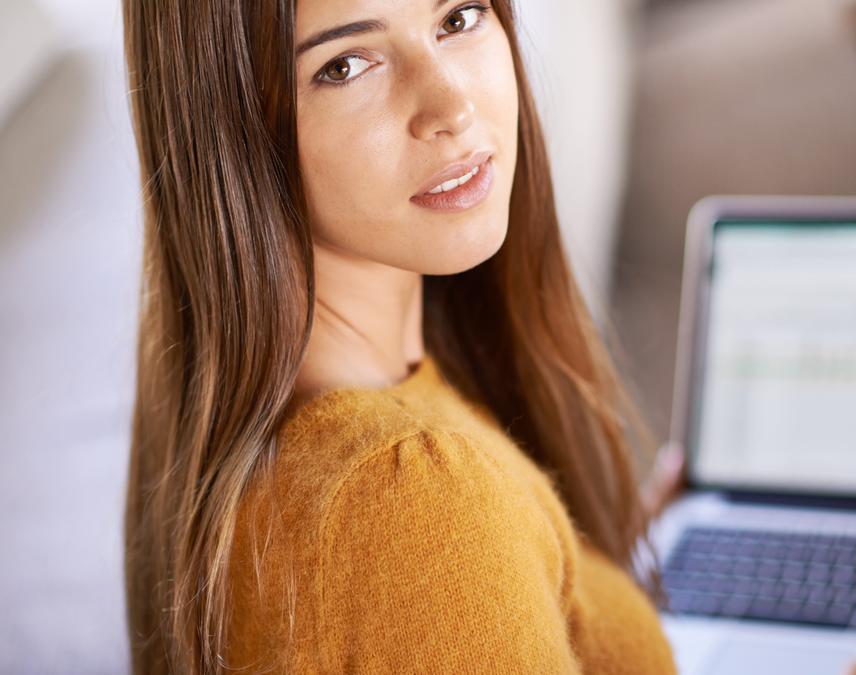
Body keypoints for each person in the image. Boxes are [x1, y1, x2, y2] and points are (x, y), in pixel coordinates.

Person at [121, 0, 678, 672]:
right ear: (231, 123)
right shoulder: (413, 493)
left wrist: (588, 590)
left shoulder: (299, 448)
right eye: (345, 66)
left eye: (458, 19)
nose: (451, 107)